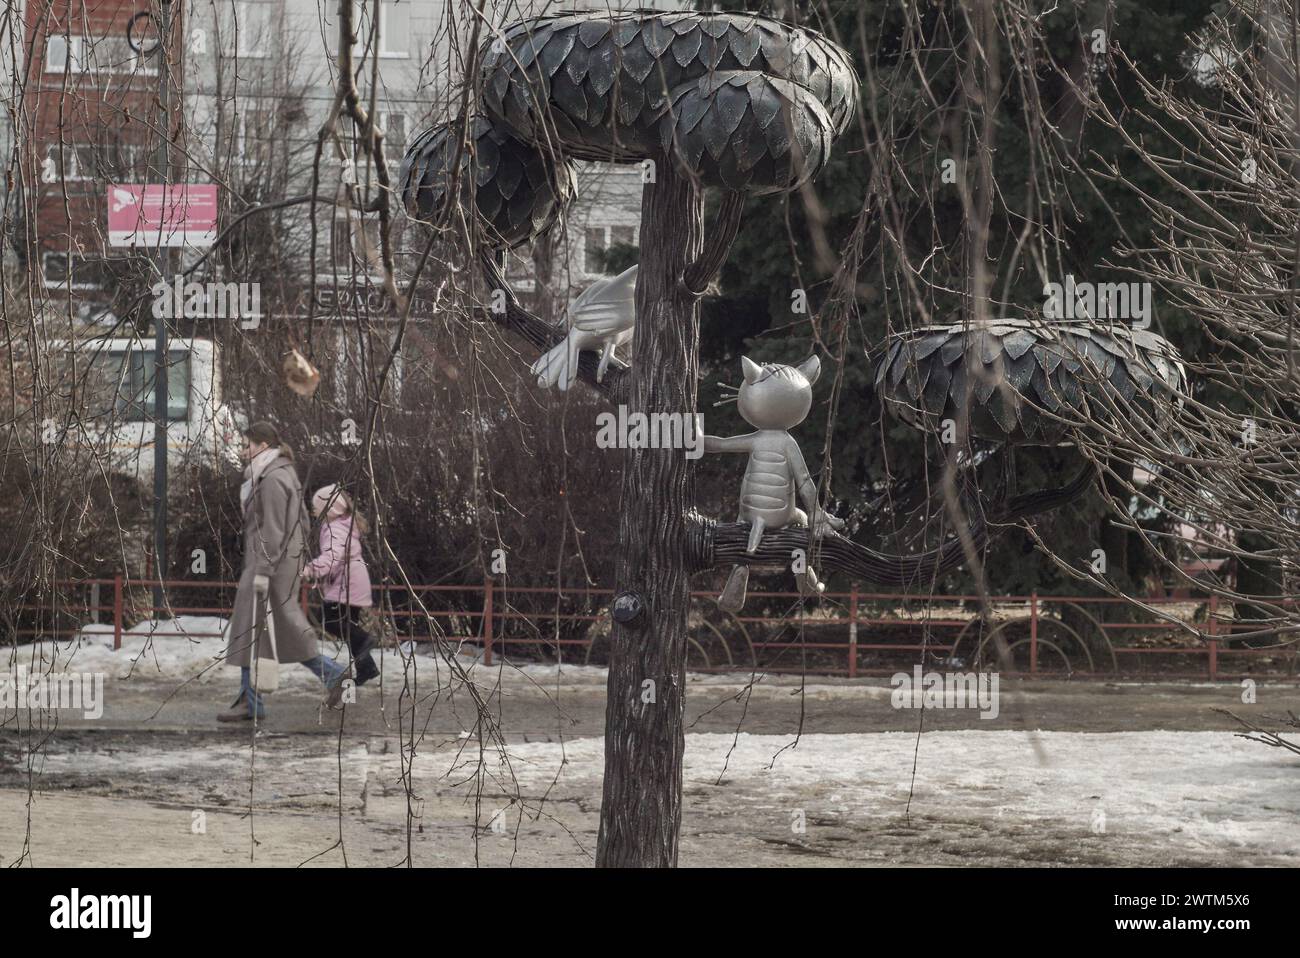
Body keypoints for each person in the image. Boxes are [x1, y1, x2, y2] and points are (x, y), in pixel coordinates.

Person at [219, 421, 348, 722]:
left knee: (257, 630)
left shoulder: (273, 478)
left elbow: (273, 528)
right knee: (266, 631)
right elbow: (296, 524)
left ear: (262, 446)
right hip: (277, 562)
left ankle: (331, 674)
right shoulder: (276, 474)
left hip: (269, 564)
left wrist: (263, 569)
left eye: (246, 444)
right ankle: (252, 701)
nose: (242, 450)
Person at [304, 484, 379, 686]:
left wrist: (310, 569)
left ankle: (365, 640)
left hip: (347, 583)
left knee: (330, 620)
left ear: (330, 508)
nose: (313, 511)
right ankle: (366, 668)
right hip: (352, 579)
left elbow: (332, 555)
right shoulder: (345, 524)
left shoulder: (334, 527)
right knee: (349, 627)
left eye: (317, 507)